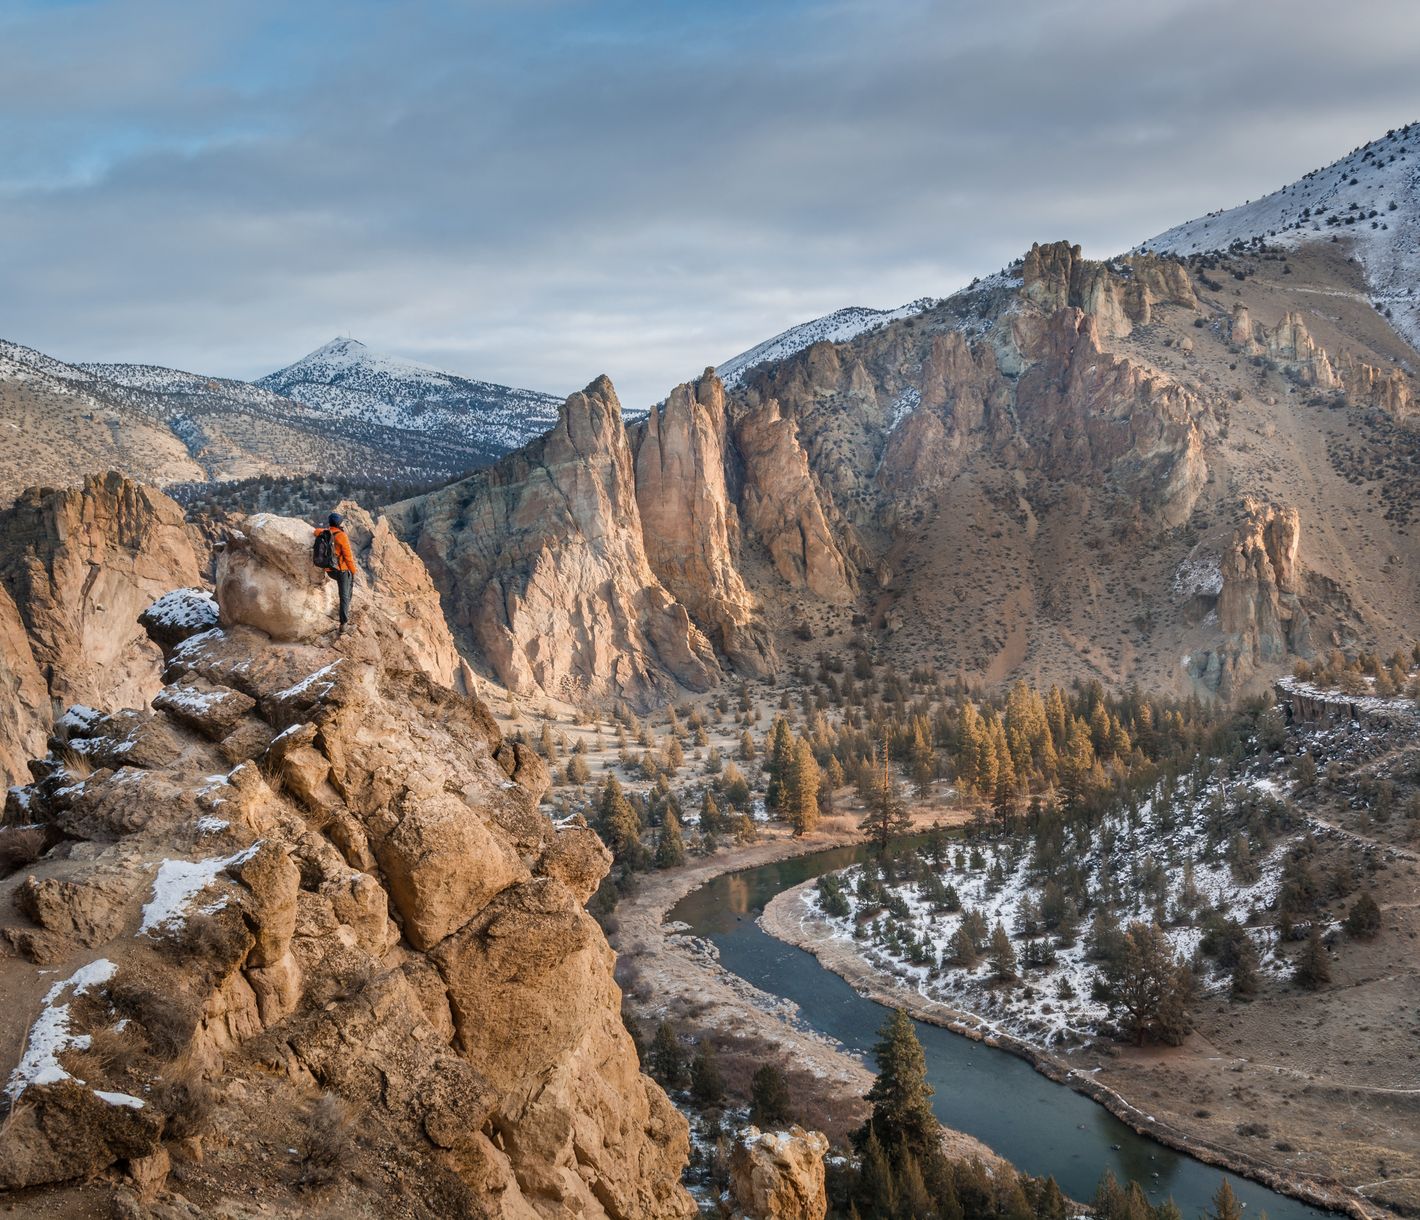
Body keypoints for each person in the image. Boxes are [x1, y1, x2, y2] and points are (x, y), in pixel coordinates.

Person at [316, 512, 358, 628]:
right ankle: (343, 624)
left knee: (345, 592)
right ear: (339, 523)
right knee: (345, 595)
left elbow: (315, 531)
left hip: (329, 569)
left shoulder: (324, 533)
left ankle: (343, 612)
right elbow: (348, 557)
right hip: (341, 571)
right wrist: (353, 571)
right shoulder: (341, 536)